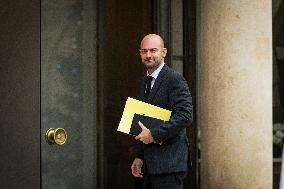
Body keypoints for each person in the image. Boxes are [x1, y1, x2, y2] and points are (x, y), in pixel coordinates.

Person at [130, 34, 193, 189]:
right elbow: (143, 120)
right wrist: (139, 156)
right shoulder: (145, 81)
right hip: (150, 164)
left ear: (164, 52)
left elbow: (185, 116)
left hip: (169, 163)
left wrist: (153, 135)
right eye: (144, 51)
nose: (148, 55)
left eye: (153, 50)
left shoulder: (174, 79)